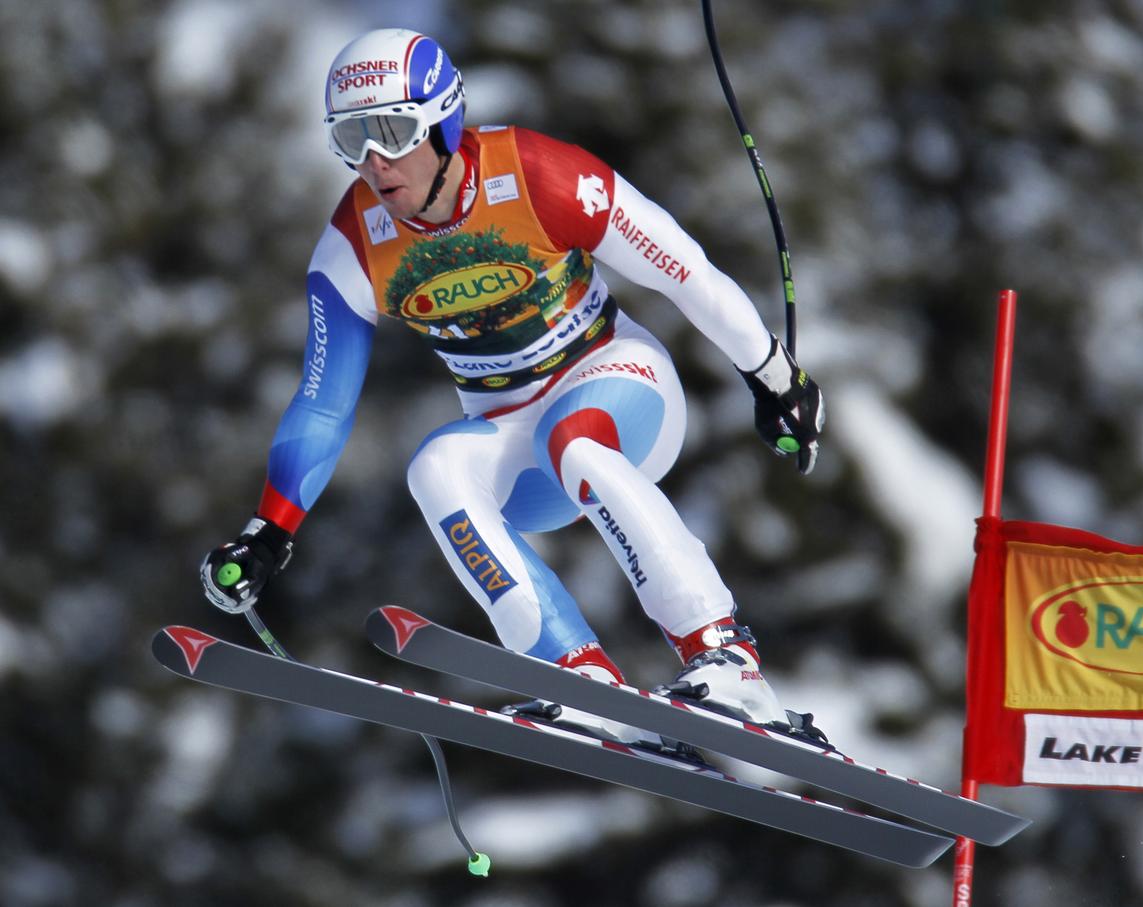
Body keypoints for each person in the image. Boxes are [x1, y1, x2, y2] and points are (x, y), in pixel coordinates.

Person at [199, 28, 825, 747]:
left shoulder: (534, 174)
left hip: (619, 383)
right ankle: (577, 676)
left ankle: (727, 657)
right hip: (512, 434)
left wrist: (774, 376)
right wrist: (268, 532)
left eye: (393, 132)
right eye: (352, 140)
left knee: (575, 442)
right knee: (434, 466)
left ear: (442, 121)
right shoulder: (354, 243)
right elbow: (322, 398)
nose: (375, 161)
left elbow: (682, 269)